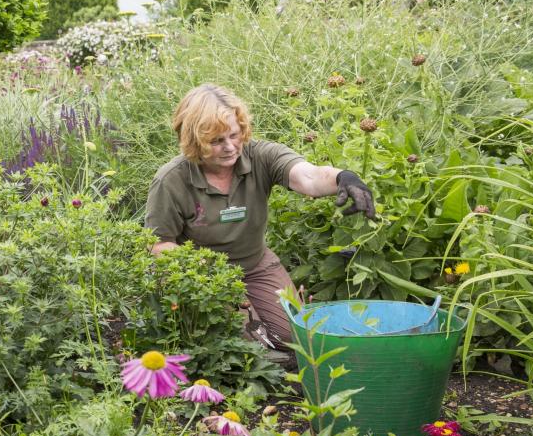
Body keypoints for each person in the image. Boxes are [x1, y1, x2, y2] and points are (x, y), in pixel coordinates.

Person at [144, 84, 376, 349]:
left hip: (255, 265)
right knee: (248, 344)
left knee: (297, 338)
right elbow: (158, 244)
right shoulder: (171, 180)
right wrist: (209, 275)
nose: (230, 147)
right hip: (201, 276)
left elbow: (308, 177)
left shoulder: (260, 156)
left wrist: (342, 177)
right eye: (217, 141)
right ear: (195, 142)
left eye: (234, 134)